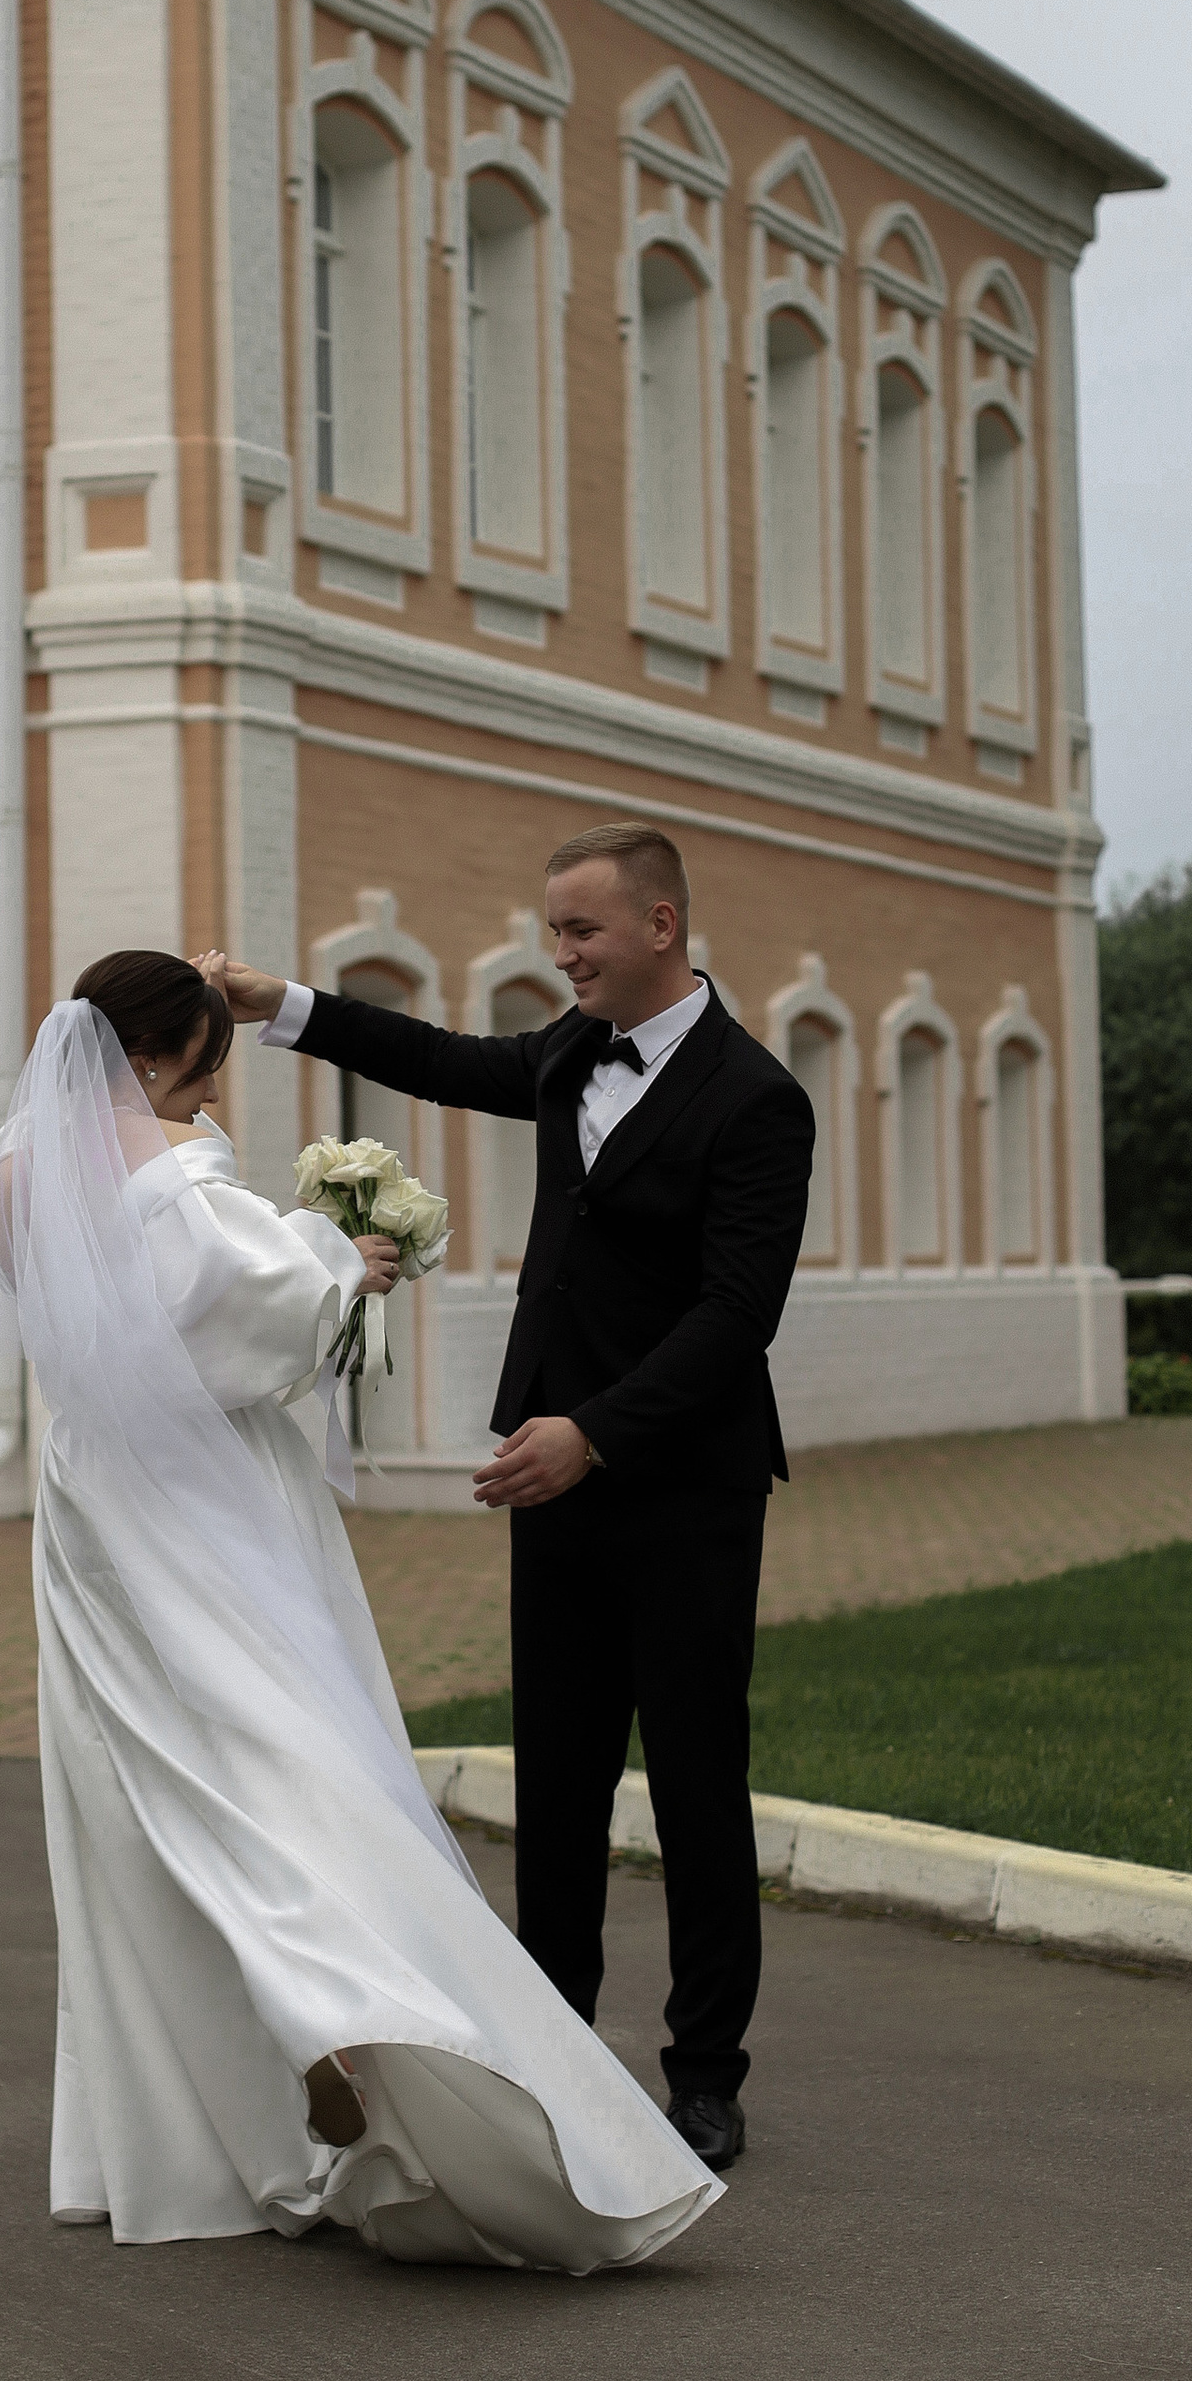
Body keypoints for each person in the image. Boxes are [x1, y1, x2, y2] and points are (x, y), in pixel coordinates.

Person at [0, 946, 720, 2269]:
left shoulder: (13, 1171)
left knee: (139, 1796)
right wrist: (346, 1259)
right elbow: (248, 1336)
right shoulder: (180, 1182)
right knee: (297, 1762)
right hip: (210, 1509)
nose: (212, 1098)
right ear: (152, 1062)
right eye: (204, 1069)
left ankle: (174, 2128)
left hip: (92, 1509)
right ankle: (379, 2022)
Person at [201, 826, 814, 2174]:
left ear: (662, 925)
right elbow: (434, 1058)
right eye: (553, 931)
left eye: (583, 932)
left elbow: (735, 1317)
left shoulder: (755, 1099)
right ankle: (550, 2056)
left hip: (685, 1489)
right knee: (561, 1782)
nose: (563, 955)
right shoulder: (564, 1058)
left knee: (701, 1786)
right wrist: (280, 1008)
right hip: (554, 1477)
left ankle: (707, 2077)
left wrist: (594, 1433)